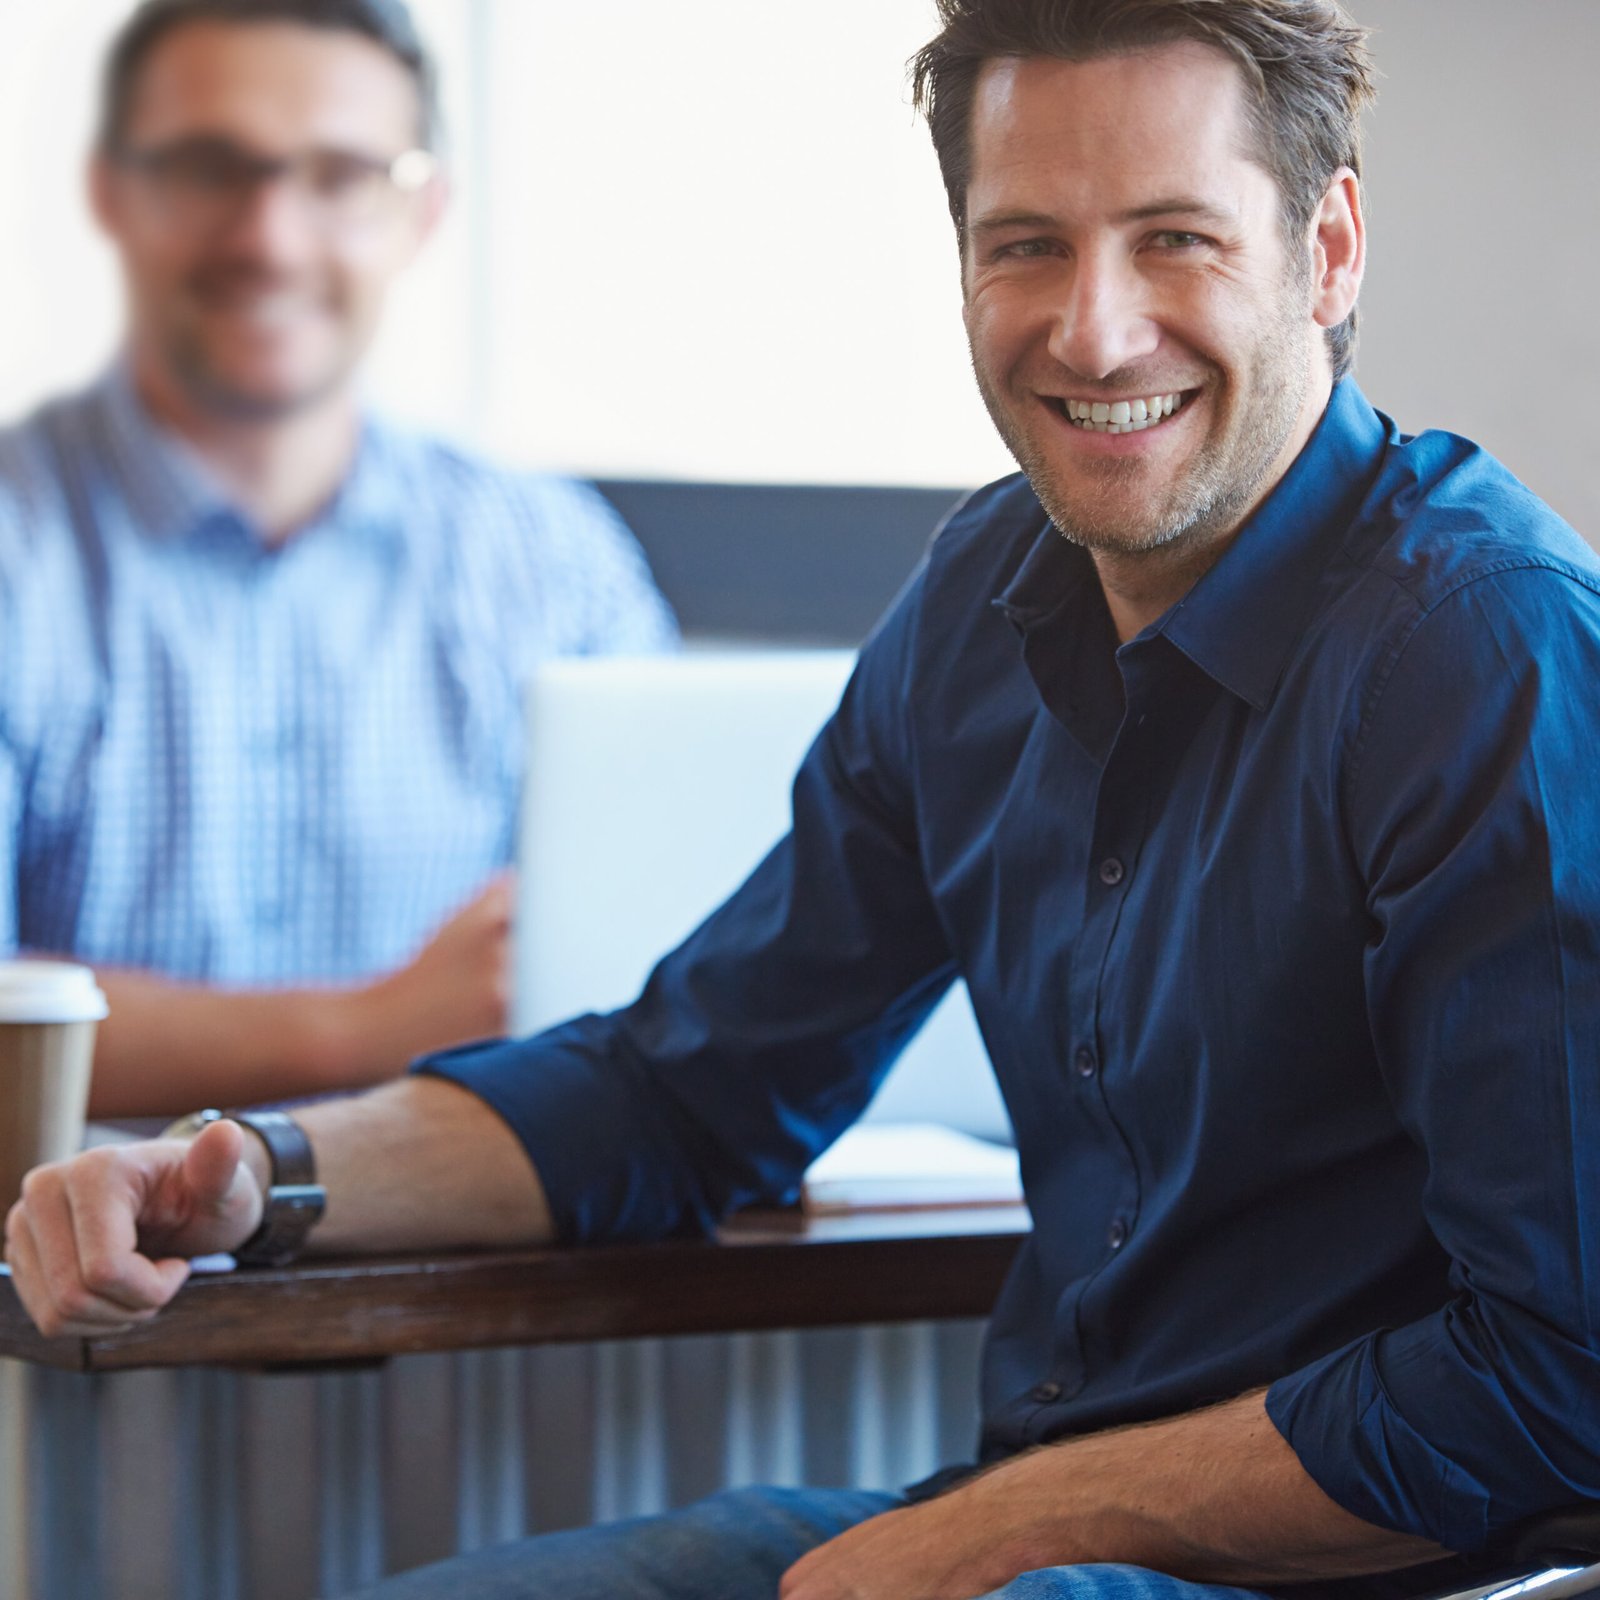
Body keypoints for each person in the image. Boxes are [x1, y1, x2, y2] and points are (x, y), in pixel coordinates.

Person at [9, 0, 1600, 1597]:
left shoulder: (1484, 644)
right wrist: (251, 1173)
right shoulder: (981, 598)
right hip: (1024, 1521)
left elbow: (1557, 1383)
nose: (1095, 331)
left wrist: (992, 1531)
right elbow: (686, 1092)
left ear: (1326, 250)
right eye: (1026, 244)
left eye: (1177, 239)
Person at [0, 0, 677, 1117]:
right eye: (210, 168)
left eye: (342, 176)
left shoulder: (556, 566)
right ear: (110, 193)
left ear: (423, 213)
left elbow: (668, 972)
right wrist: (365, 1026)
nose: (269, 236)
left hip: (476, 1257)